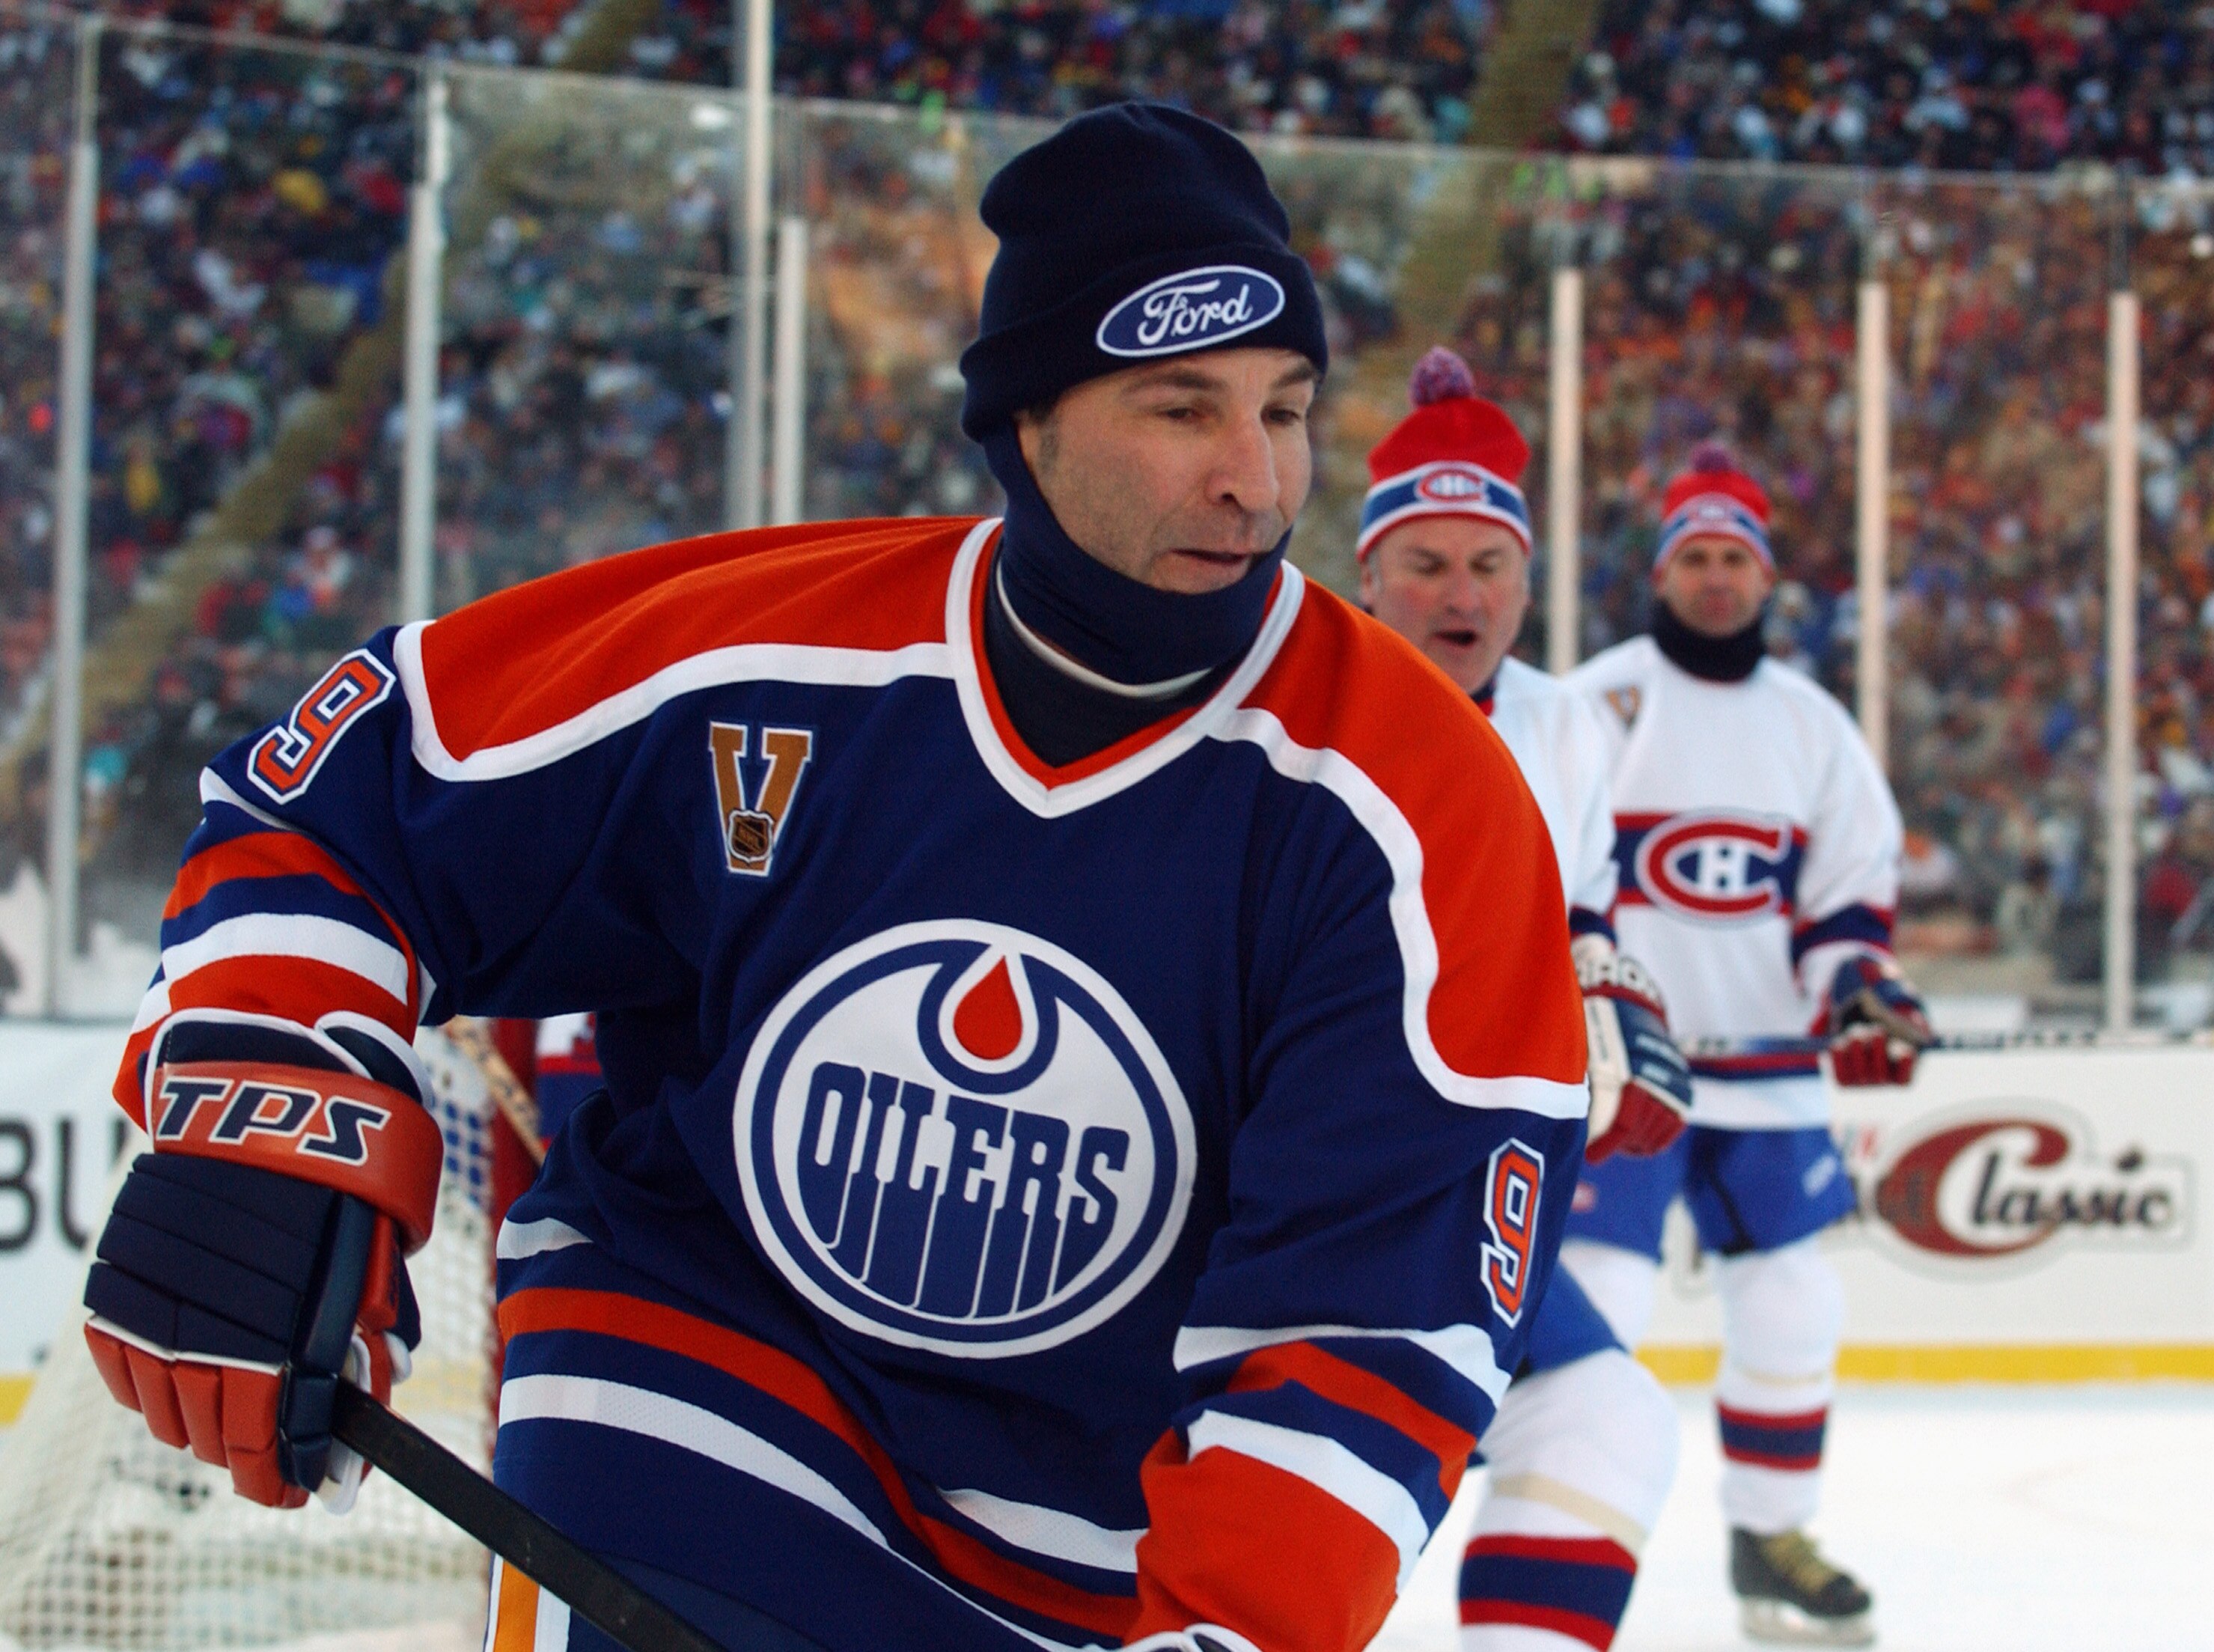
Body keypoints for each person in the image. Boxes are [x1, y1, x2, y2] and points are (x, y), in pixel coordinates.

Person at [78, 106, 1590, 1652]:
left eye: (1286, 410)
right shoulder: (763, 654)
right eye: (1182, 411)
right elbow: (338, 795)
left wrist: (1240, 1629)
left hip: (1076, 1561)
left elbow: (1372, 1317)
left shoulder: (1416, 809)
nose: (1258, 486)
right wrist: (268, 1087)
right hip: (684, 1413)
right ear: (1028, 423)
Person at [1564, 445, 1931, 1648]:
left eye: (1735, 559)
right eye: (1695, 557)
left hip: (1769, 1080)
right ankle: (1559, 1540)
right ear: (1662, 571)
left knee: (1792, 1310)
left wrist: (1862, 994)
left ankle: (1770, 1537)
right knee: (1599, 1304)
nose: (1715, 578)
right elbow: (1556, 879)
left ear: (1764, 579)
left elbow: (1841, 916)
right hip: (1625, 1073)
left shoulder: (1811, 728)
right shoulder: (1596, 704)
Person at [1358, 348, 1693, 1652]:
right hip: (1273, 1183)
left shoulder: (1560, 724)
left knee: (1605, 1419)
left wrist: (1608, 988)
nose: (1461, 592)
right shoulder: (1283, 700)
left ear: (1526, 584)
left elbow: (1580, 913)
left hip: (1450, 1175)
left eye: (1488, 564)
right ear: (1367, 573)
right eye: (1428, 563)